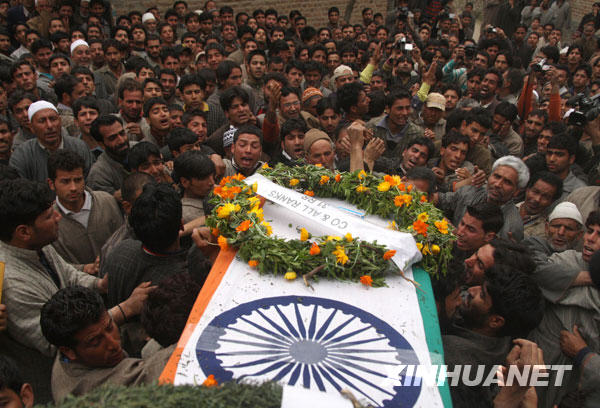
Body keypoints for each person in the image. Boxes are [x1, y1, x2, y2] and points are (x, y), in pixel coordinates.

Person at [40, 285, 176, 402]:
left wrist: (127, 308)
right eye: (95, 342)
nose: (113, 345)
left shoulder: (70, 350)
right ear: (68, 351)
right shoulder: (99, 388)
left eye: (110, 327)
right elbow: (166, 363)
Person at [47, 150, 123, 269]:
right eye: (65, 182)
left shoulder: (107, 202)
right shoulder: (49, 221)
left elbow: (124, 239)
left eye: (78, 180)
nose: (73, 188)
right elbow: (56, 265)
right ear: (51, 184)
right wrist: (85, 268)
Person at [436, 156, 530, 241]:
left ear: (517, 191)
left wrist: (454, 234)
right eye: (497, 176)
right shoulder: (470, 192)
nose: (497, 184)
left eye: (507, 182)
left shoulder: (512, 226)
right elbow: (438, 200)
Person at [9, 101, 94, 183]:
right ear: (31, 127)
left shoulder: (79, 147)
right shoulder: (22, 154)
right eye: (42, 121)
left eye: (53, 119)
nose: (49, 126)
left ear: (60, 121)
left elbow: (90, 181)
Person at [87, 115, 131, 196]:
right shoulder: (99, 173)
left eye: (122, 133)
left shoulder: (139, 148)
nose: (121, 140)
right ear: (101, 144)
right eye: (113, 138)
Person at [518, 171, 564, 238]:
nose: (537, 199)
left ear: (552, 201)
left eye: (545, 197)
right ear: (527, 189)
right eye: (535, 192)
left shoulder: (544, 232)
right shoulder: (506, 207)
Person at [174, 150, 215, 224]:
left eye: (212, 175)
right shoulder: (185, 215)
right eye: (203, 178)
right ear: (185, 182)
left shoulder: (215, 192)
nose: (212, 182)